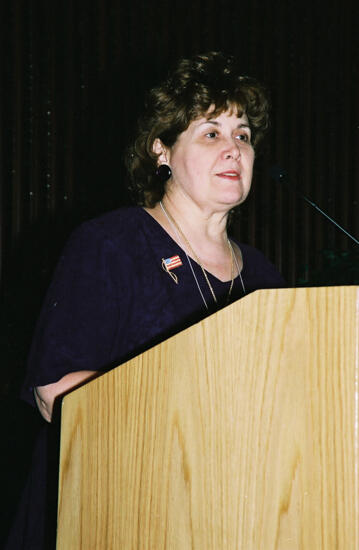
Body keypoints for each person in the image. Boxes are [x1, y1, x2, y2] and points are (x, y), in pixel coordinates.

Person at [6, 51, 285, 549]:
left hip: (229, 516)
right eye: (210, 133)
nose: (233, 149)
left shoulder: (262, 276)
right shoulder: (111, 244)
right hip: (111, 512)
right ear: (162, 151)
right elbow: (55, 390)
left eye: (242, 134)